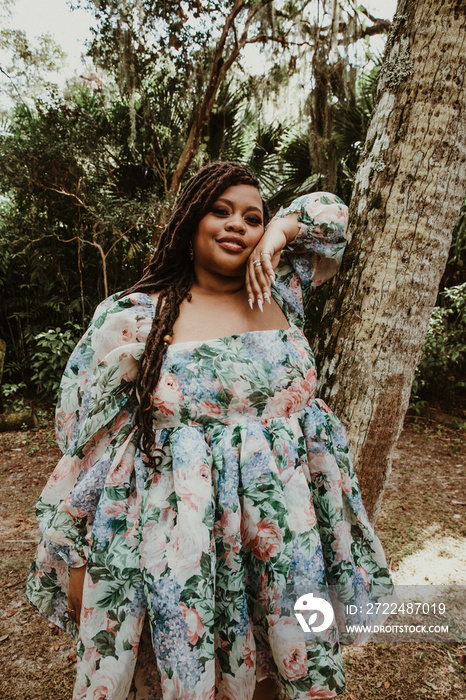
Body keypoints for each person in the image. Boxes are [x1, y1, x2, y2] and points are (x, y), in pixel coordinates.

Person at [26, 161, 394, 700]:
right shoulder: (135, 317)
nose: (236, 225)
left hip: (285, 537)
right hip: (187, 538)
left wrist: (276, 237)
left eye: (251, 217)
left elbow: (331, 213)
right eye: (219, 211)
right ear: (189, 222)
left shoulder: (281, 289)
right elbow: (92, 444)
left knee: (281, 667)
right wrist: (77, 549)